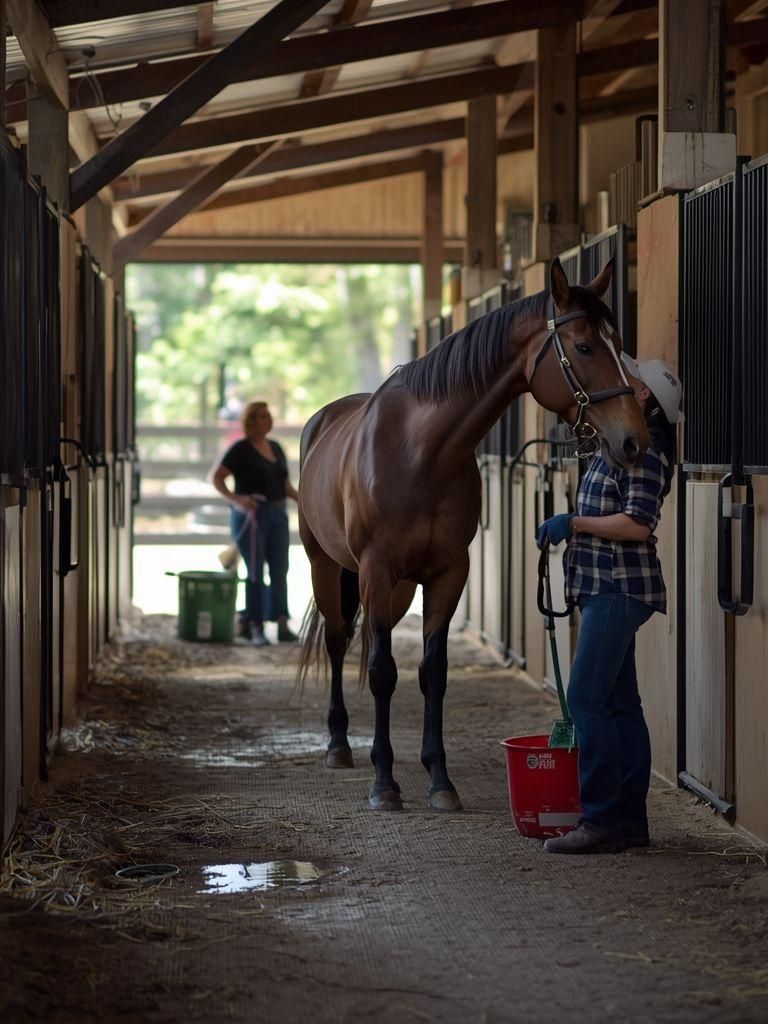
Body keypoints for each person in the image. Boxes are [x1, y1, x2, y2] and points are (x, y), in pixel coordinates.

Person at [535, 355, 683, 855]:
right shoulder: (621, 443)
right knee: (620, 705)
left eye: (633, 380)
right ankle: (629, 822)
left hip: (620, 589)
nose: (625, 380)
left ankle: (600, 820)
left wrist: (573, 523)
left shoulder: (644, 452)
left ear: (644, 397)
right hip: (605, 587)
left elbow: (638, 524)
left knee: (585, 700)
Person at [212, 401, 299, 647]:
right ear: (251, 421)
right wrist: (236, 499)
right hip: (253, 516)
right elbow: (217, 477)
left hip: (278, 514)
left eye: (269, 415)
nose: (268, 420)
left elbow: (284, 485)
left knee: (281, 569)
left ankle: (281, 621)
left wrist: (305, 502)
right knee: (255, 571)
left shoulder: (276, 448)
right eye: (263, 416)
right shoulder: (240, 449)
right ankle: (254, 625)